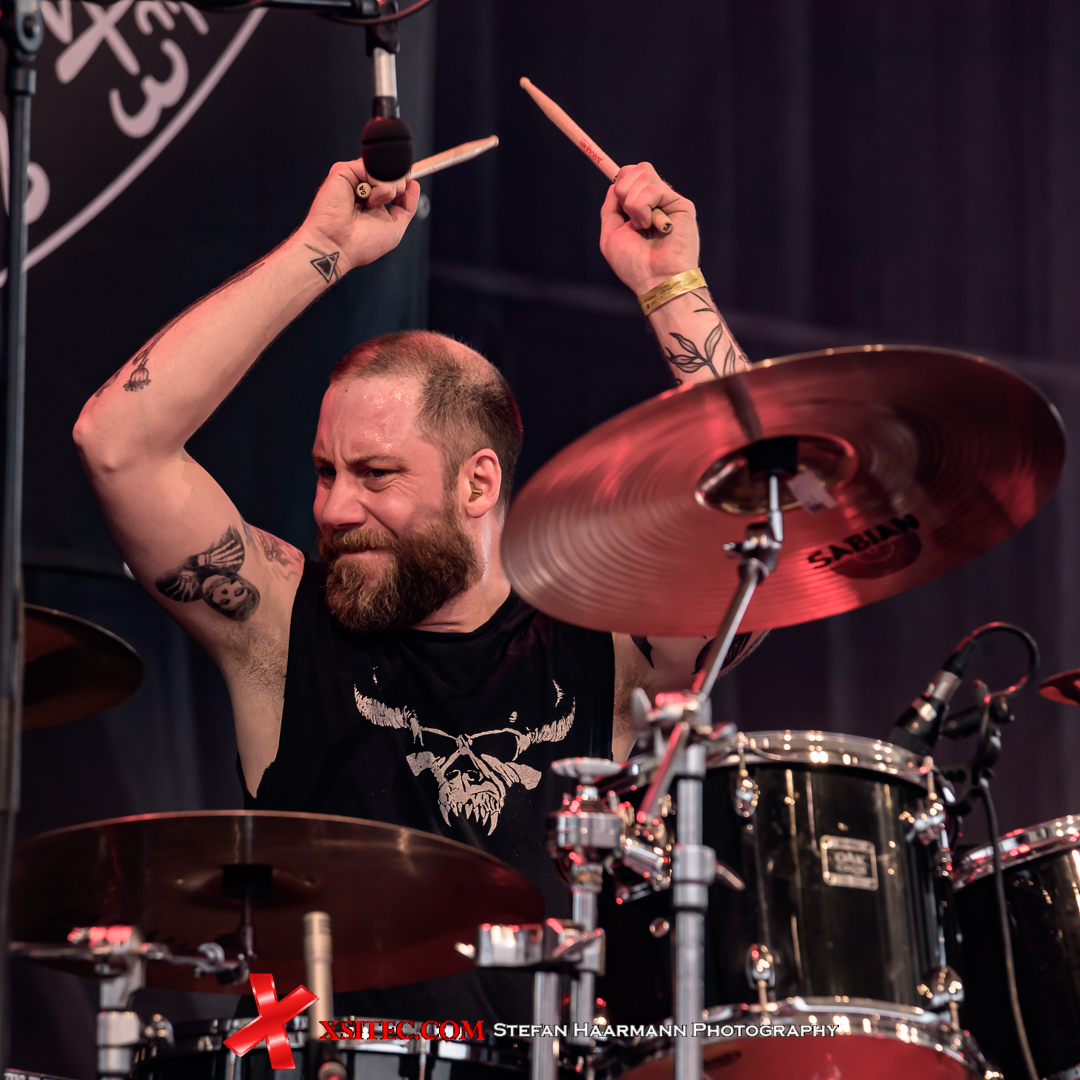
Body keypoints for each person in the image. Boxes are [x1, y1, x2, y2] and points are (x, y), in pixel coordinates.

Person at [74, 156, 762, 1021]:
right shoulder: (281, 624)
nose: (334, 507)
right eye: (325, 472)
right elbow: (117, 443)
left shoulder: (610, 648)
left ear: (478, 484)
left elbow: (761, 516)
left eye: (375, 474)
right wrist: (320, 247)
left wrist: (672, 287)